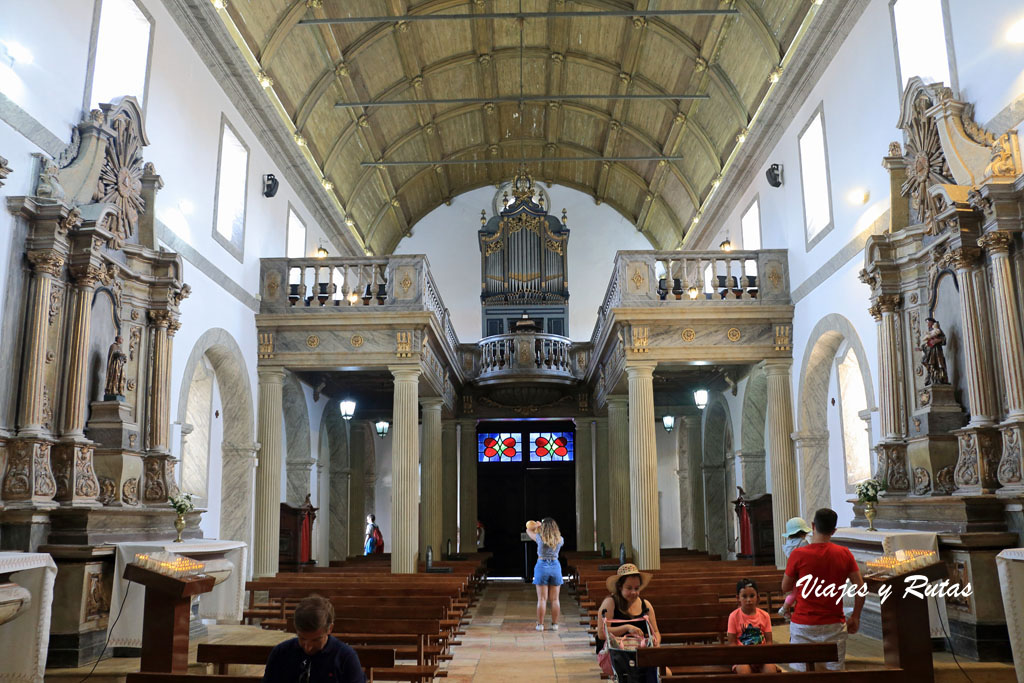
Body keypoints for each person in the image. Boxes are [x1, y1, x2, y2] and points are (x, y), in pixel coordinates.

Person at [781, 507, 865, 671]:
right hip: (833, 624)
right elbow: (860, 589)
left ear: (813, 526)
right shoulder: (844, 553)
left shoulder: (798, 555)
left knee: (803, 673)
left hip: (803, 624)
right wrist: (855, 616)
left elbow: (785, 587)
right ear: (833, 531)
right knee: (833, 675)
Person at [263, 594, 364, 683]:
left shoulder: (345, 657)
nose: (308, 647)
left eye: (316, 640)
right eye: (302, 638)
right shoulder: (281, 653)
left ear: (330, 629)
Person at [596, 564, 661, 683]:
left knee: (665, 674)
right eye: (629, 588)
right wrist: (627, 627)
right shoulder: (610, 603)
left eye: (637, 588)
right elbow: (601, 633)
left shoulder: (645, 605)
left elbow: (655, 631)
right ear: (620, 587)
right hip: (618, 656)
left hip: (641, 653)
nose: (634, 592)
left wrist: (655, 645)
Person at [727, 578, 779, 673]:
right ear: (738, 598)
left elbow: (769, 641)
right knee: (744, 671)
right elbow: (732, 643)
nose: (749, 600)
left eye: (752, 596)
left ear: (758, 598)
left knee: (770, 671)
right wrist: (740, 656)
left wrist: (764, 656)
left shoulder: (765, 615)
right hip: (741, 657)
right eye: (744, 596)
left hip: (762, 656)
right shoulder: (733, 616)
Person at [525, 517, 563, 631]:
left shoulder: (540, 538)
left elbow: (528, 530)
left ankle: (540, 625)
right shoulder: (560, 539)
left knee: (542, 599)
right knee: (555, 599)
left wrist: (537, 526)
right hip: (555, 566)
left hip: (542, 566)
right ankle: (555, 624)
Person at [778, 516, 812, 618]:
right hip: (802, 571)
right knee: (797, 593)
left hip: (792, 570)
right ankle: (784, 608)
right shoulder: (803, 543)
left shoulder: (789, 544)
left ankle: (786, 610)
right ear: (803, 532)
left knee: (795, 592)